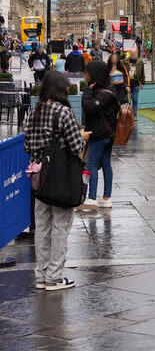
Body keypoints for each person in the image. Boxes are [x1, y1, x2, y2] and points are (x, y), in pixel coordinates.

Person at [24, 70, 86, 290]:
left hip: (38, 177)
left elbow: (27, 146)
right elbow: (76, 146)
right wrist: (82, 136)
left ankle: (41, 275)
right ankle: (54, 277)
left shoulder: (34, 111)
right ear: (60, 90)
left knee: (42, 227)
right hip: (61, 177)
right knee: (60, 226)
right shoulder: (63, 112)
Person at [81, 61, 120, 210]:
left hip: (100, 134)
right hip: (107, 134)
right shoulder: (106, 89)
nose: (85, 75)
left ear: (94, 74)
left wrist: (87, 92)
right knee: (105, 163)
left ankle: (92, 198)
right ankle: (106, 198)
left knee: (91, 164)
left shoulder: (104, 93)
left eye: (87, 73)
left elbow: (89, 107)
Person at [128, 53, 146, 118]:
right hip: (127, 84)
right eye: (132, 54)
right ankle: (128, 114)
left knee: (135, 99)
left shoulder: (140, 63)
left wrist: (142, 83)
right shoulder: (125, 62)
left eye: (134, 54)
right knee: (128, 100)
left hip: (136, 83)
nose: (133, 55)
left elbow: (142, 73)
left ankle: (134, 115)